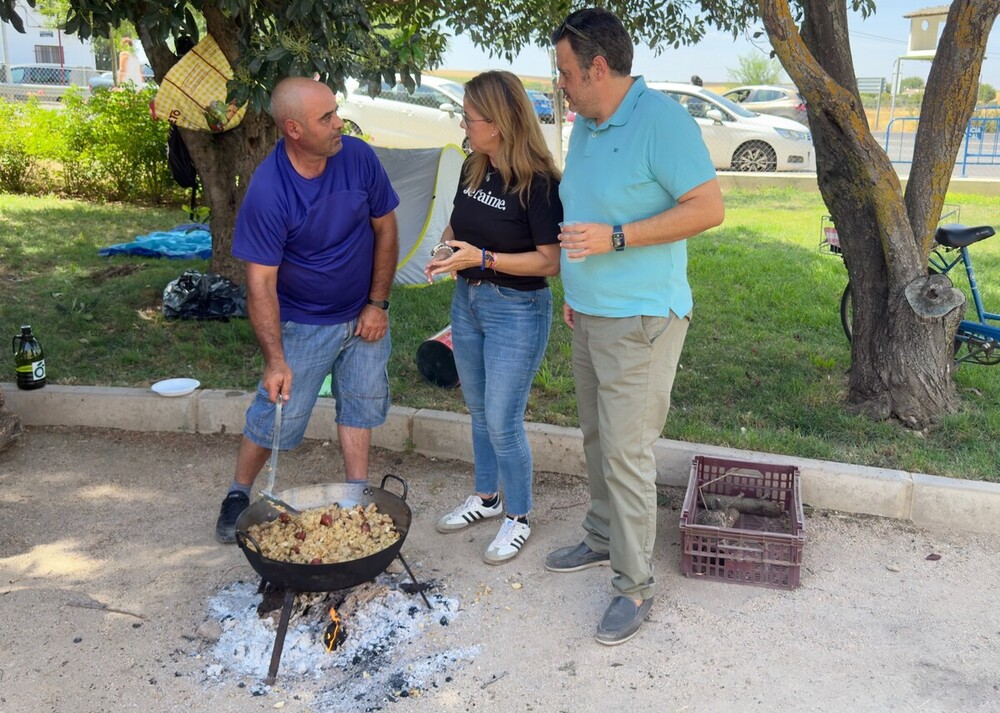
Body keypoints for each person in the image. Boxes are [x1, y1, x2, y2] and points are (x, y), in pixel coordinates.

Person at [546, 8, 724, 644]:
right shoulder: (589, 125)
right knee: (597, 439)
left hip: (642, 319)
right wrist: (576, 287)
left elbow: (708, 208)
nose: (560, 83)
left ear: (598, 67)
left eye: (566, 72)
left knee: (626, 453)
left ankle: (634, 585)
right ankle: (601, 538)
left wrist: (617, 238)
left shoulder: (662, 122)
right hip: (591, 313)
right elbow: (585, 214)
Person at [214, 76, 400, 543]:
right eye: (327, 118)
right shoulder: (269, 190)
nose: (340, 123)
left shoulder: (358, 158)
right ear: (294, 129)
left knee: (360, 402)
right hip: (303, 321)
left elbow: (387, 229)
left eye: (337, 111)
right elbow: (260, 283)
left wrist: (377, 303)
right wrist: (276, 359)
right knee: (279, 413)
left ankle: (357, 496)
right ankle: (238, 492)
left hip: (363, 315)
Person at [424, 70, 562, 564]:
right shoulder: (473, 165)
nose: (463, 123)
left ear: (498, 124)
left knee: (503, 420)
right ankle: (487, 498)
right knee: (479, 411)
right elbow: (460, 222)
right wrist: (447, 249)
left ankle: (518, 517)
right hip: (469, 302)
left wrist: (481, 259)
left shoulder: (540, 184)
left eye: (469, 117)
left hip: (517, 310)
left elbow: (550, 261)